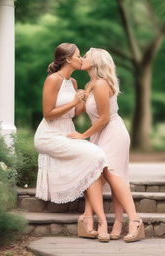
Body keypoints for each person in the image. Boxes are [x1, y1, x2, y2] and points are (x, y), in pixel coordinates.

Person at [34, 43, 110, 242]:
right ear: (68, 59)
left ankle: (96, 221)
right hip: (49, 135)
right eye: (78, 56)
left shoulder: (74, 82)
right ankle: (96, 220)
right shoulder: (53, 80)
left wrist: (86, 95)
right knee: (96, 154)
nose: (82, 59)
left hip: (67, 131)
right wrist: (74, 102)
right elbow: (48, 114)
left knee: (94, 160)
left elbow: (74, 113)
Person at [68, 48, 145, 243]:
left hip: (113, 133)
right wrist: (78, 96)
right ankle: (109, 222)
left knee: (112, 174)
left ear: (96, 61)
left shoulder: (102, 84)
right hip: (99, 134)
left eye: (86, 56)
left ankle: (135, 221)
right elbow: (79, 113)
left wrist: (82, 136)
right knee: (97, 175)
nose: (82, 59)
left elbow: (103, 119)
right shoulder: (90, 83)